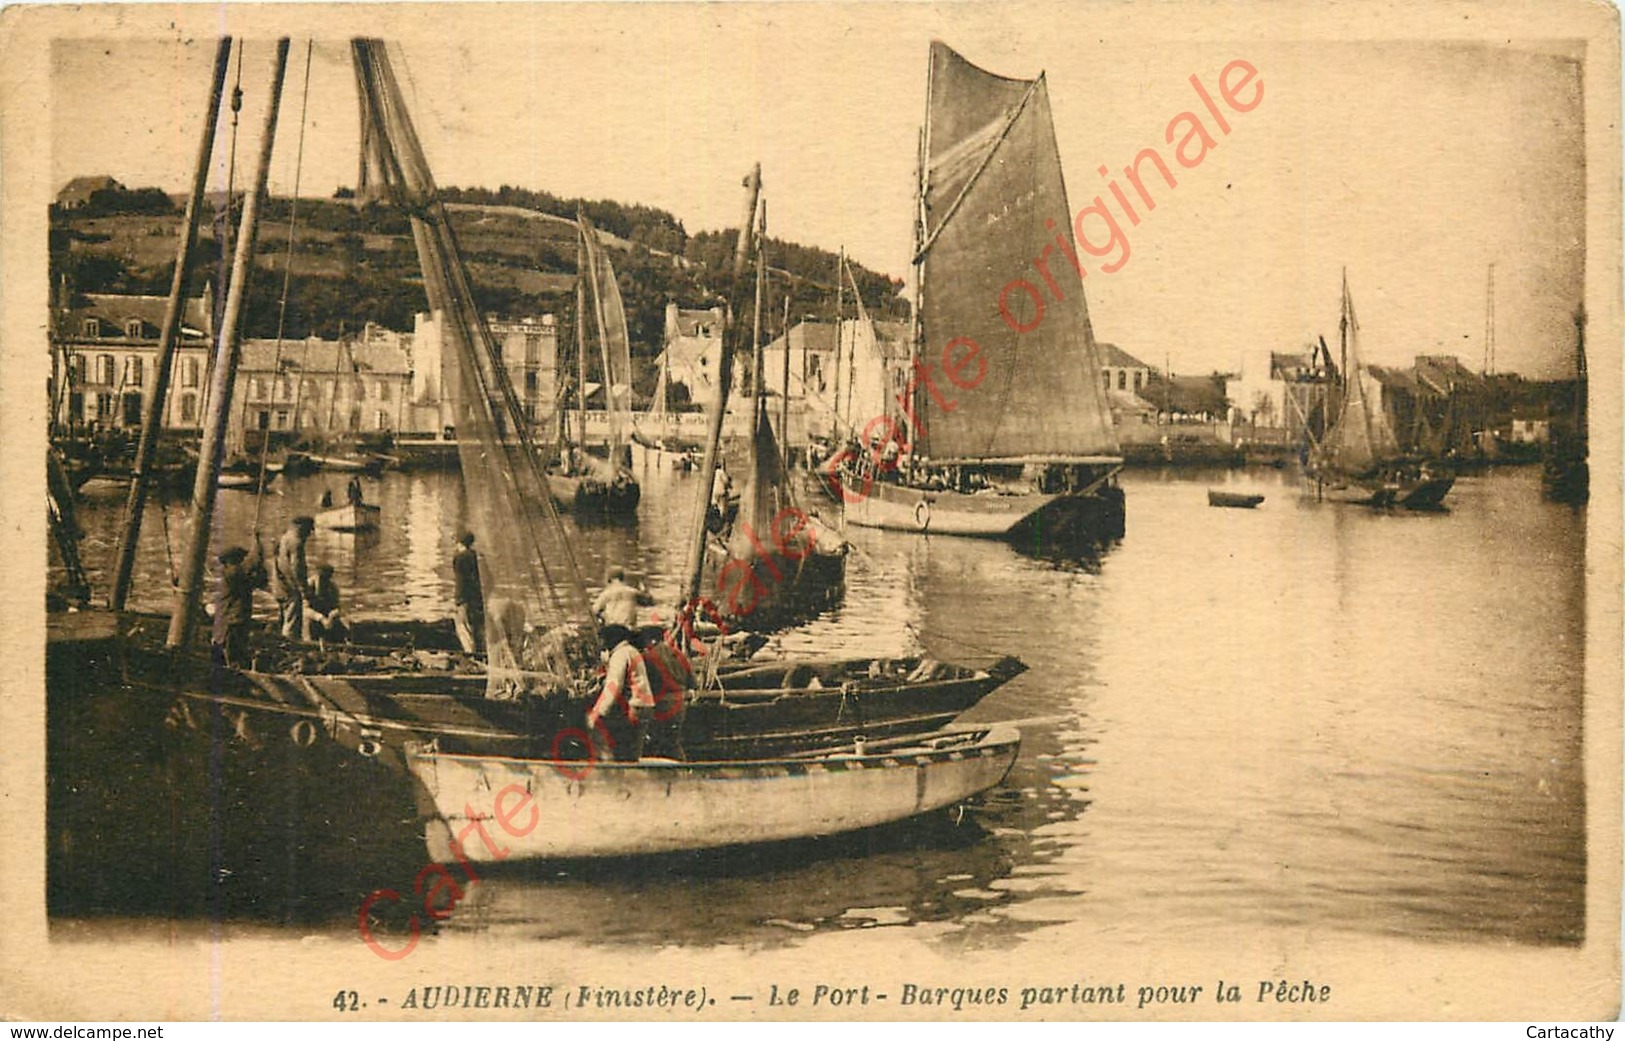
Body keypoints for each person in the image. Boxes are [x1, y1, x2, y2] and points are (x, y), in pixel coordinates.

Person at [585, 628, 655, 762]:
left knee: (618, 748)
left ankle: (612, 773)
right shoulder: (631, 651)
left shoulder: (620, 655)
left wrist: (598, 712)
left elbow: (613, 687)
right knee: (633, 753)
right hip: (645, 705)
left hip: (634, 707)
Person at [213, 544, 267, 668]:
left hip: (235, 619)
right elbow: (253, 574)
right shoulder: (233, 573)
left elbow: (259, 582)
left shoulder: (232, 573)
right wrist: (258, 553)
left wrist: (260, 563)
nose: (241, 562)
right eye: (239, 559)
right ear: (231, 561)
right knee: (233, 653)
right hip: (233, 621)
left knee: (235, 650)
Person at [272, 516, 314, 639]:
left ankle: (280, 644)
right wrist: (303, 590)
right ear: (301, 527)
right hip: (291, 588)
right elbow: (297, 569)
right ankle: (290, 648)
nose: (309, 534)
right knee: (292, 624)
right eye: (308, 530)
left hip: (279, 585)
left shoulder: (283, 538)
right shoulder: (297, 543)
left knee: (283, 618)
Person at [593, 565, 654, 648]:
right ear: (622, 578)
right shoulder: (632, 592)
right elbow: (649, 602)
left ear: (609, 579)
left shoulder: (605, 594)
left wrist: (602, 617)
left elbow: (594, 611)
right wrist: (645, 590)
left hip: (612, 631)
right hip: (628, 631)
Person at [452, 530, 485, 654]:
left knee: (463, 627)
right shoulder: (479, 556)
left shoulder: (459, 558)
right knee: (478, 626)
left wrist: (458, 599)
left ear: (460, 543)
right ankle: (482, 652)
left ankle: (471, 654)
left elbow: (461, 581)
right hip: (478, 598)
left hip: (464, 598)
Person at [305, 564, 348, 647]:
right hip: (313, 618)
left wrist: (332, 615)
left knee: (343, 623)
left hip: (327, 618)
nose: (325, 580)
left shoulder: (332, 587)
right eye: (322, 577)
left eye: (328, 577)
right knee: (308, 623)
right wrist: (321, 618)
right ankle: (309, 644)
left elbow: (337, 606)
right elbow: (304, 609)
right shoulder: (309, 585)